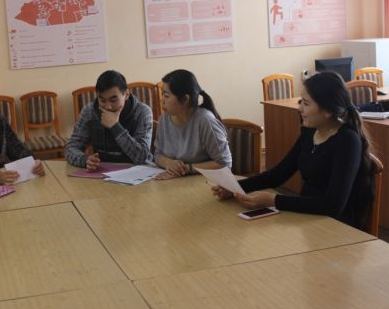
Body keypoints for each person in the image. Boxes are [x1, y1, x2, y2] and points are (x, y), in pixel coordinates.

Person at [212, 71, 374, 230]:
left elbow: (332, 205)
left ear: (328, 110)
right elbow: (278, 174)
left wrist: (273, 200)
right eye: (301, 102)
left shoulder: (348, 140)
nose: (300, 108)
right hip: (308, 219)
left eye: (306, 104)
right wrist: (234, 187)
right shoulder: (310, 132)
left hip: (337, 227)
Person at [65, 70, 153, 169]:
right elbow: (71, 148)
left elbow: (141, 157)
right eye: (102, 100)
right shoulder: (89, 112)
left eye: (113, 100)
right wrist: (84, 160)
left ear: (126, 94)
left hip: (138, 171)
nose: (108, 107)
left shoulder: (142, 112)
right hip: (104, 171)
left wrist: (115, 126)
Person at [155, 69, 231, 179]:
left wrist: (187, 168)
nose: (162, 100)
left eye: (166, 96)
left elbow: (224, 164)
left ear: (185, 99)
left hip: (203, 183)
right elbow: (158, 154)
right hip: (173, 181)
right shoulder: (164, 119)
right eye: (162, 94)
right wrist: (168, 163)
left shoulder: (206, 121)